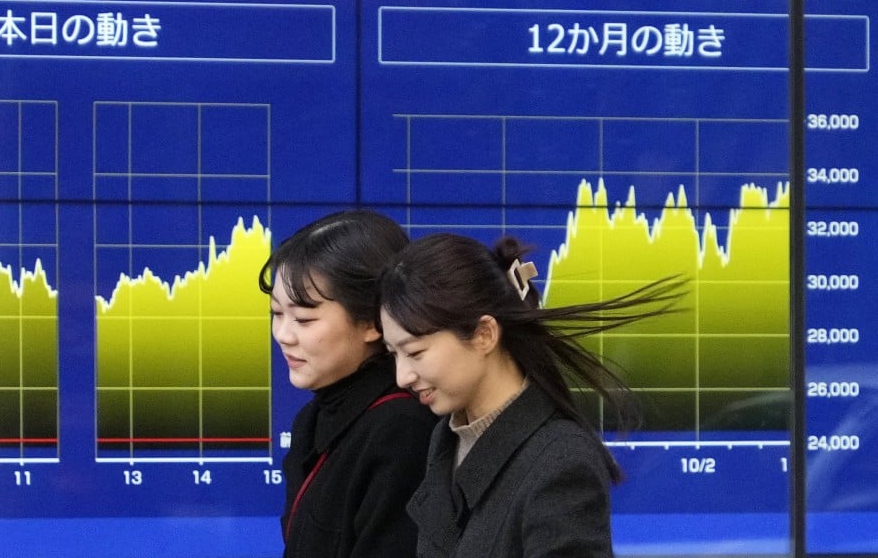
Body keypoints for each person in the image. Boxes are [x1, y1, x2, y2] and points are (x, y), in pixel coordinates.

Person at [377, 233, 683, 558]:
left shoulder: (560, 463)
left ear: (484, 335)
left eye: (415, 352)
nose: (402, 377)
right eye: (392, 354)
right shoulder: (446, 438)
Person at [259, 210, 437, 558]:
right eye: (276, 314)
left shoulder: (403, 430)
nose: (282, 335)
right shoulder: (310, 421)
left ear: (374, 320)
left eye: (304, 319)